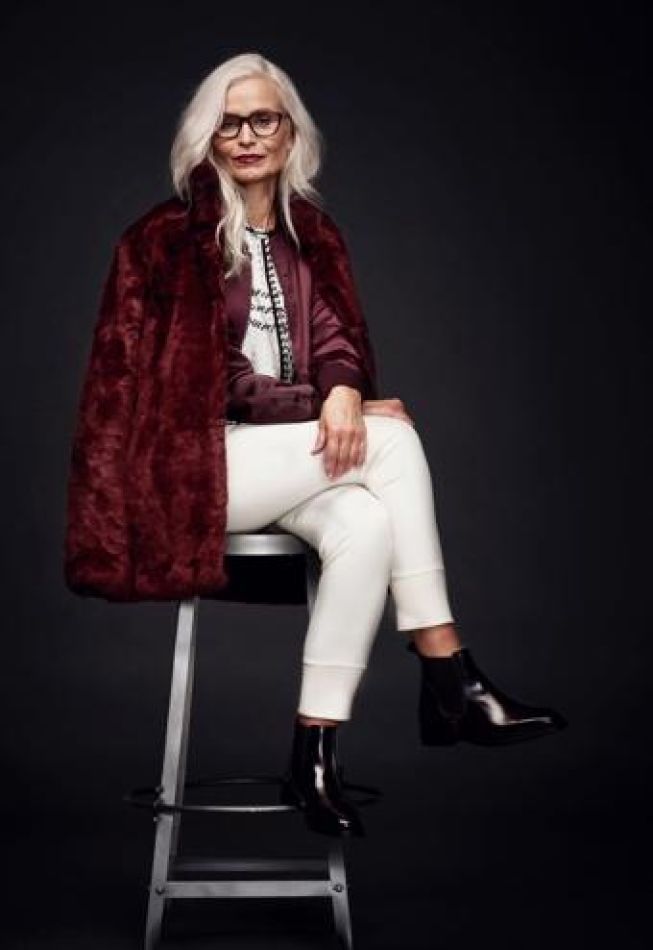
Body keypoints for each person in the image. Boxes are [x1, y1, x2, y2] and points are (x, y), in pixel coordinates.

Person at [66, 52, 568, 840]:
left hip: (283, 464)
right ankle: (448, 674)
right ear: (206, 137)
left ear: (290, 131)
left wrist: (339, 389)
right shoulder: (169, 239)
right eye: (228, 123)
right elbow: (209, 376)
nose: (245, 137)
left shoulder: (312, 235)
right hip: (188, 468)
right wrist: (330, 404)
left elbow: (337, 342)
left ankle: (315, 754)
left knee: (365, 522)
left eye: (262, 119)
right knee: (389, 441)